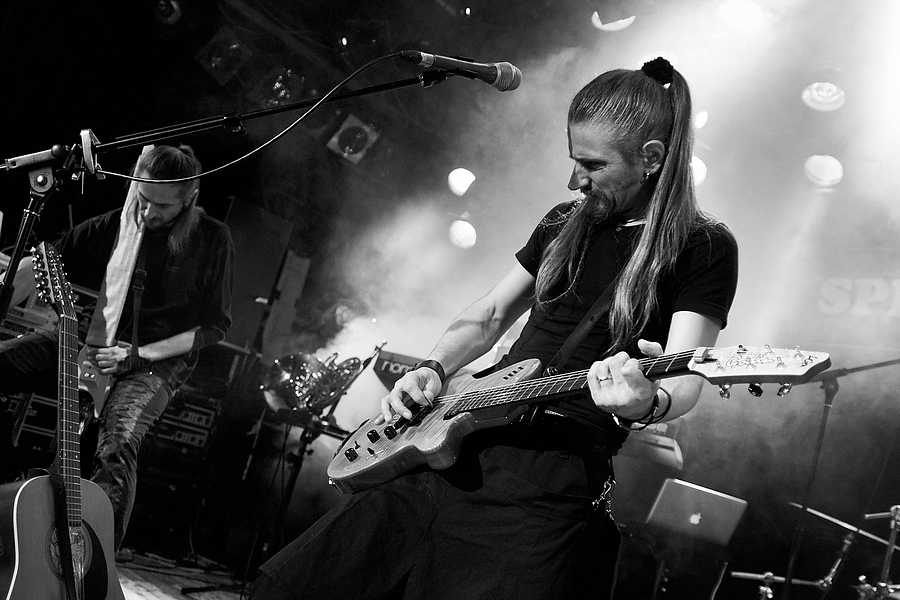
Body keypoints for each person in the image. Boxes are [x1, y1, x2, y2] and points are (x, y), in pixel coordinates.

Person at [250, 57, 739, 600]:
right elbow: (486, 316)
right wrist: (433, 368)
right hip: (458, 443)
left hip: (547, 484)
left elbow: (689, 378)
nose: (574, 180)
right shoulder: (561, 223)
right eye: (573, 160)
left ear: (650, 159)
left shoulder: (703, 247)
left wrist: (644, 402)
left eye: (592, 165)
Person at [0, 144, 234, 551]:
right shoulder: (118, 222)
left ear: (189, 200)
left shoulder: (213, 238)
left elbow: (215, 327)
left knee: (118, 442)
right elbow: (46, 259)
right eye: (142, 198)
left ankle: (96, 565)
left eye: (162, 205)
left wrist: (138, 354)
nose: (148, 212)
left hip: (154, 365)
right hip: (90, 337)